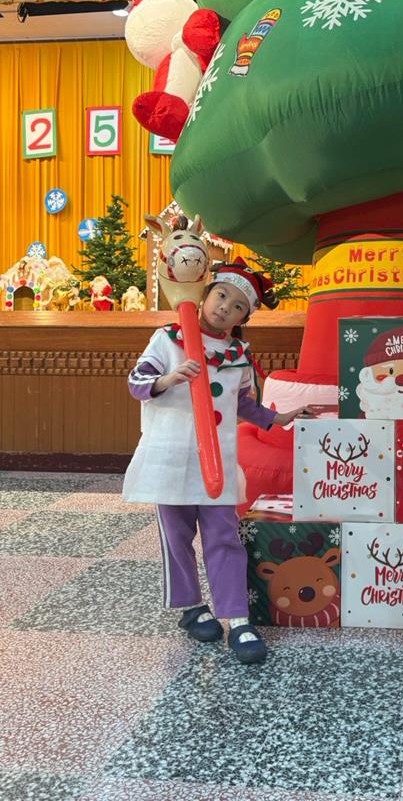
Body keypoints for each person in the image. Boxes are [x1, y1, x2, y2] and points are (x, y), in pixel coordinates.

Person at [124, 257, 320, 664]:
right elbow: (136, 381)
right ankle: (191, 607)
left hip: (218, 463)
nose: (224, 307)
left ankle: (238, 619)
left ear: (244, 317)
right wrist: (168, 379)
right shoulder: (168, 339)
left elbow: (245, 404)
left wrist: (281, 417)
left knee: (224, 537)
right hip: (170, 457)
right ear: (205, 295)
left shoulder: (239, 355)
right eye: (221, 296)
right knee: (176, 537)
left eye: (237, 306)